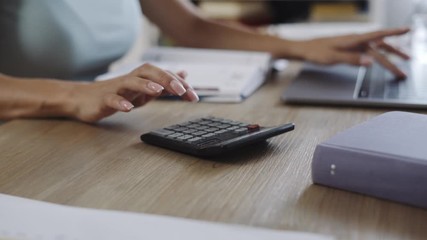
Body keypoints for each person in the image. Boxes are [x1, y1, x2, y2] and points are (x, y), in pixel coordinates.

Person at [0, 0, 410, 123]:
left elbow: (191, 27)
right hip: (18, 138)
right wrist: (76, 95)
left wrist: (303, 47)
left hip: (89, 124)